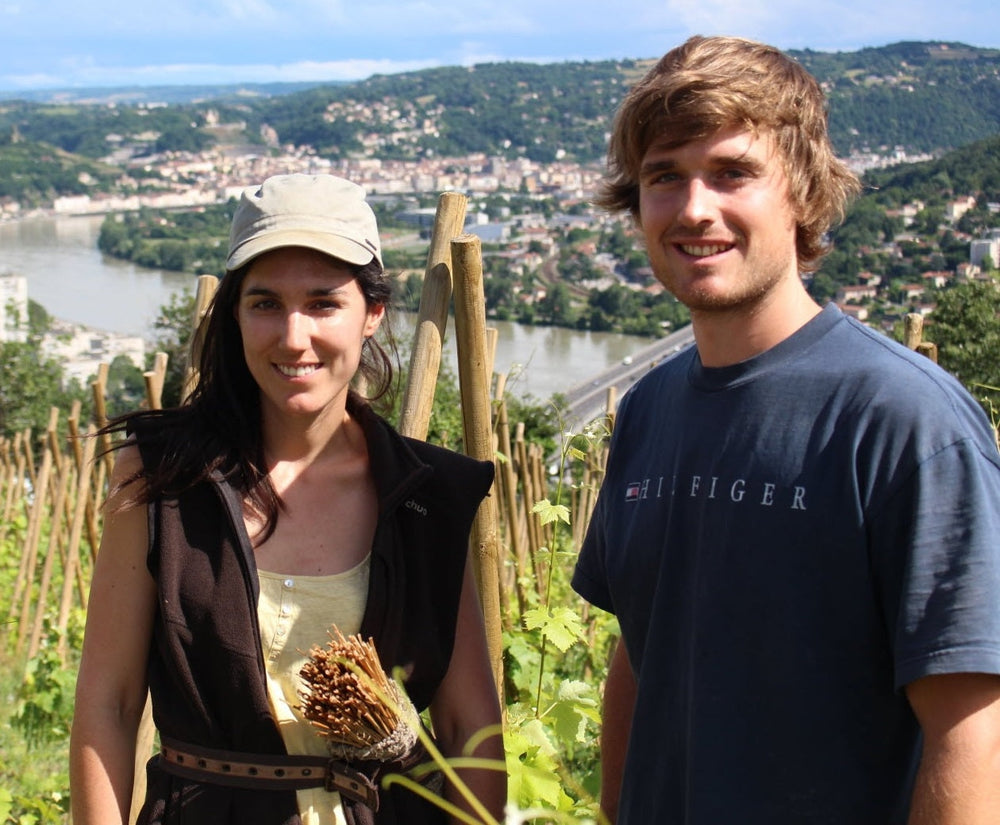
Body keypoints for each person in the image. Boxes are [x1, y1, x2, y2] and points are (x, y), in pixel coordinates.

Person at [571, 35, 1000, 825]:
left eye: (732, 172)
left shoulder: (904, 421)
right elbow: (641, 652)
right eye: (665, 177)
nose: (695, 207)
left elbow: (969, 727)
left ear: (802, 192)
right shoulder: (650, 409)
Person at [70, 173, 506, 825]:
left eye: (324, 303)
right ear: (234, 314)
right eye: (265, 303)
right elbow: (109, 700)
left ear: (373, 312)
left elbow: (470, 723)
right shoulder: (157, 480)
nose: (293, 336)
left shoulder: (428, 498)